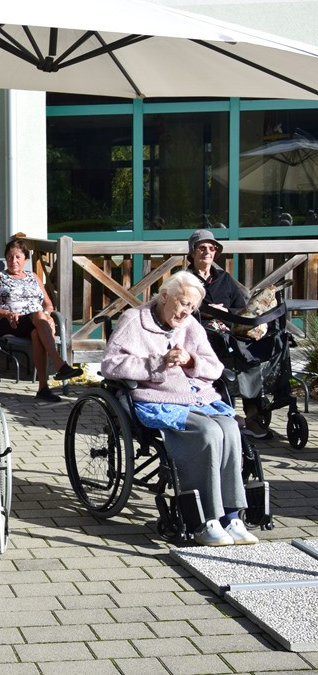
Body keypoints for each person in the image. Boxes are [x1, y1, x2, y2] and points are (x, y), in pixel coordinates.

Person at [100, 271, 258, 547]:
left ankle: (231, 516)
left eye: (193, 307)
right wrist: (157, 362)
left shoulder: (191, 327)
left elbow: (215, 367)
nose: (187, 312)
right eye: (183, 303)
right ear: (164, 296)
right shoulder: (133, 321)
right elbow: (110, 365)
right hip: (156, 398)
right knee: (208, 433)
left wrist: (190, 361)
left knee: (231, 428)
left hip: (198, 398)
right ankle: (204, 518)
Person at [186, 229, 268, 439]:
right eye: (201, 248)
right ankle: (225, 417)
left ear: (216, 253)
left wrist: (226, 312)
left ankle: (252, 417)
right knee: (220, 359)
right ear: (192, 253)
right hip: (199, 333)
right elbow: (177, 310)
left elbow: (241, 308)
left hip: (228, 331)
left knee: (249, 357)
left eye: (211, 248)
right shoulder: (184, 280)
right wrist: (202, 311)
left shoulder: (224, 278)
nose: (207, 252)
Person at [0, 236, 81, 402]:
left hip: (35, 322)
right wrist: (7, 314)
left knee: (37, 333)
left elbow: (48, 305)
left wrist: (47, 317)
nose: (13, 261)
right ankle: (60, 364)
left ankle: (43, 388)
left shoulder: (33, 276)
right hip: (9, 322)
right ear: (5, 258)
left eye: (18, 257)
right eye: (10, 257)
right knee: (38, 316)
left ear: (25, 259)